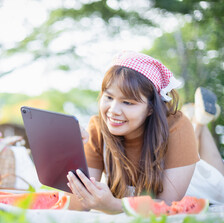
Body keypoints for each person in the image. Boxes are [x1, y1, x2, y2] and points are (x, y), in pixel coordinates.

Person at [66, 51, 224, 214]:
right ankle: (198, 120)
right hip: (177, 147)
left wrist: (115, 205)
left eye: (127, 102)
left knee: (218, 176)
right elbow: (79, 203)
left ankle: (200, 122)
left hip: (199, 182)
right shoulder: (97, 128)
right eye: (109, 97)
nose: (113, 110)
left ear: (150, 108)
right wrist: (70, 153)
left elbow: (168, 203)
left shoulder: (178, 125)